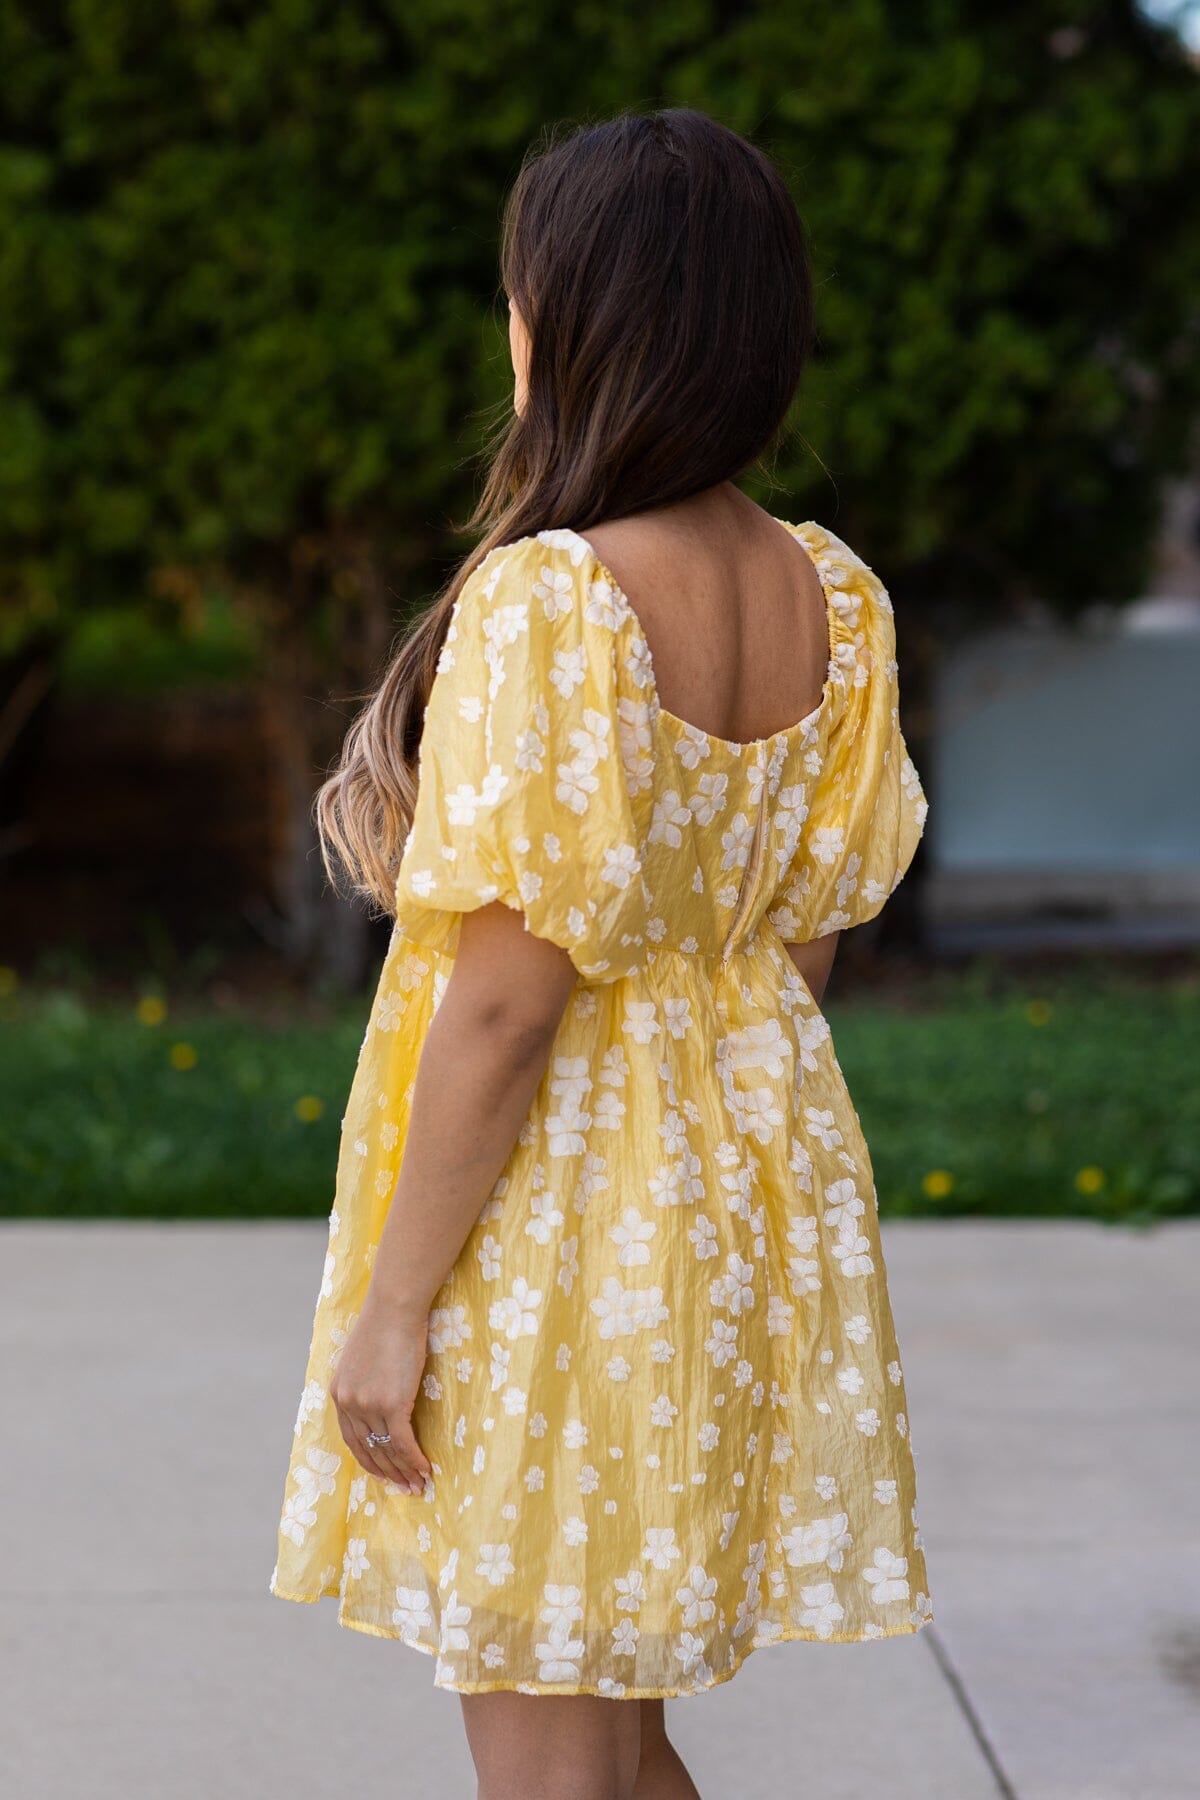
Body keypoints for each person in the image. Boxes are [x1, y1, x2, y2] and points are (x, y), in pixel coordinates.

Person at [269, 105, 933, 1799]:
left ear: (563, 323)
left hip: (554, 1228)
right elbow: (804, 953)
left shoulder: (553, 599)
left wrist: (393, 1311)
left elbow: (502, 1000)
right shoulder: (831, 598)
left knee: (556, 1764)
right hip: (728, 1201)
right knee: (618, 1748)